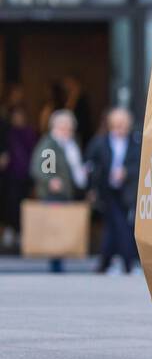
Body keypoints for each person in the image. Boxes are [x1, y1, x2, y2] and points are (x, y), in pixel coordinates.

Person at [30, 110, 88, 273]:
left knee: (60, 227)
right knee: (55, 229)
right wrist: (51, 180)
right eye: (65, 128)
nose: (68, 131)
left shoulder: (69, 144)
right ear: (56, 127)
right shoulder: (49, 145)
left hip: (64, 193)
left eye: (70, 128)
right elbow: (40, 168)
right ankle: (56, 263)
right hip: (52, 195)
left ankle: (59, 260)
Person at [86, 107, 141, 274]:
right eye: (117, 125)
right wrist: (92, 187)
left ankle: (104, 264)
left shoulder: (136, 142)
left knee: (113, 227)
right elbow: (89, 164)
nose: (120, 128)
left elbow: (140, 165)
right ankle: (128, 263)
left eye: (123, 125)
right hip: (106, 191)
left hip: (126, 192)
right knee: (121, 225)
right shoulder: (99, 142)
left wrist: (125, 172)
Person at [1, 105, 38, 251]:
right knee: (11, 203)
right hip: (11, 175)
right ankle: (11, 229)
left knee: (24, 203)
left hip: (26, 175)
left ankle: (22, 232)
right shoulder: (8, 133)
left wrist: (46, 177)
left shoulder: (31, 133)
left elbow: (42, 156)